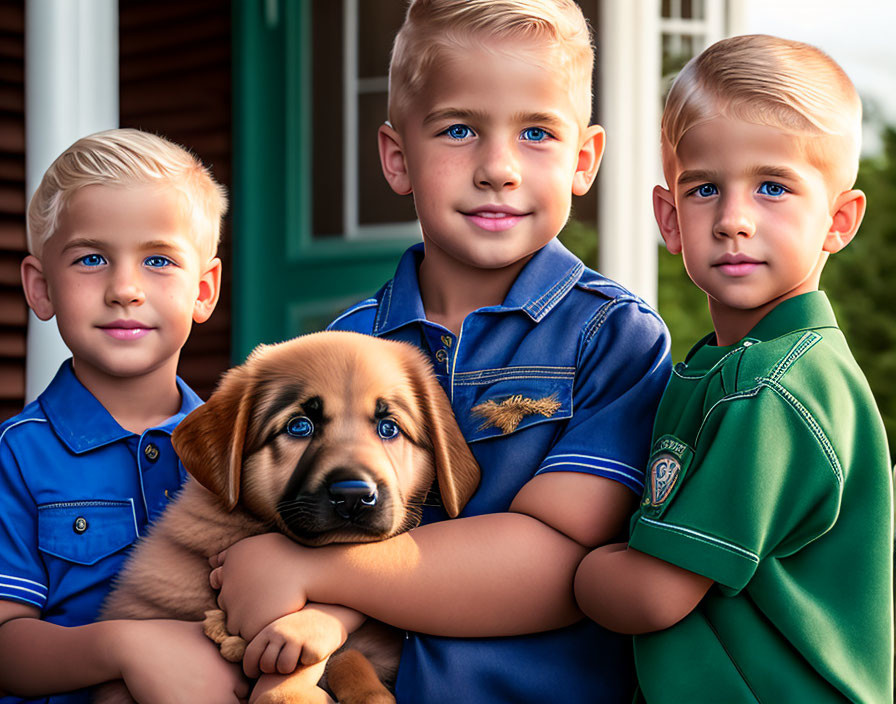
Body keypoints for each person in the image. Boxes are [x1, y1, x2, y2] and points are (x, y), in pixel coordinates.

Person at [208, 1, 671, 702]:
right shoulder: (345, 345)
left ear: (584, 161)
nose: (498, 168)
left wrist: (320, 576)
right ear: (397, 158)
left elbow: (559, 568)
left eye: (537, 133)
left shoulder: (613, 339)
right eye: (459, 129)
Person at [574, 34, 893, 703]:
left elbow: (653, 594)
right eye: (705, 189)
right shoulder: (729, 369)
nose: (733, 220)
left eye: (773, 187)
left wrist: (576, 566)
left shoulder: (774, 389)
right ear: (669, 217)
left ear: (838, 220)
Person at [0, 129, 248, 704]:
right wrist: (128, 648)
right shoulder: (17, 456)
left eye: (158, 259)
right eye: (92, 258)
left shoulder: (238, 446)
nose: (125, 290)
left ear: (204, 291)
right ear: (41, 289)